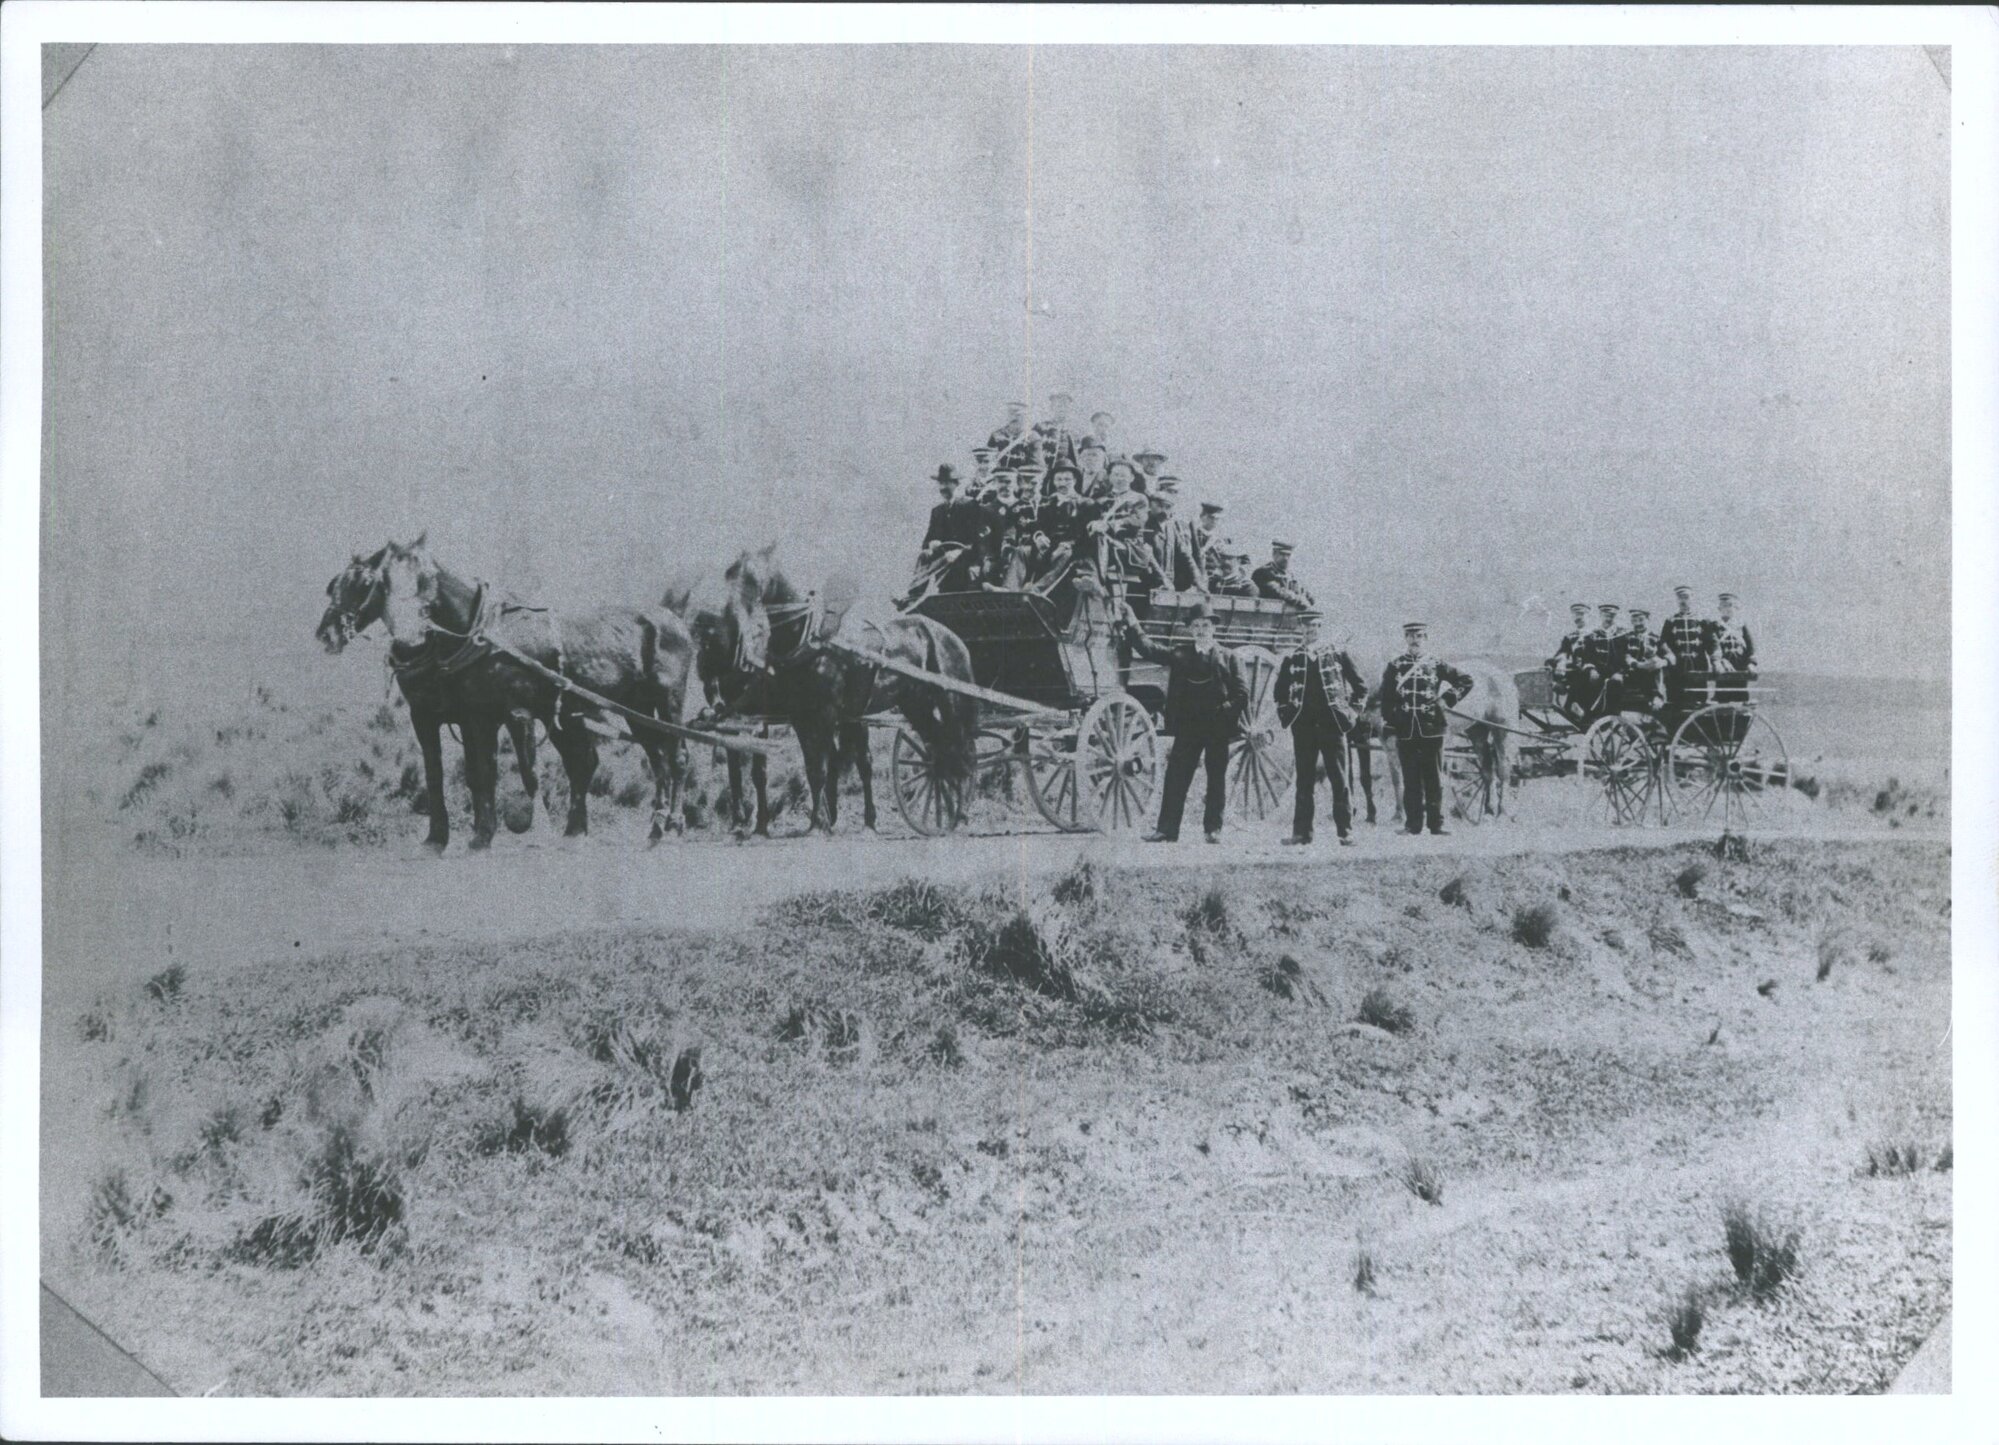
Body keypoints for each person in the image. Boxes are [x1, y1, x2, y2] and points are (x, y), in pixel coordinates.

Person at [1118, 598, 1249, 844]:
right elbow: (1149, 649)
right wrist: (1132, 622)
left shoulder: (1230, 657)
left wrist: (1224, 711)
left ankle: (1213, 829)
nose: (1201, 630)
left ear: (1214, 628)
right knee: (1176, 776)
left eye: (1205, 626)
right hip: (1189, 727)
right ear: (1190, 629)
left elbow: (1242, 694)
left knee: (1216, 778)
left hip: (1217, 727)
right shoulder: (1181, 654)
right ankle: (1167, 830)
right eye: (1196, 626)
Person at [1275, 611, 1371, 846]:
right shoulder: (1293, 658)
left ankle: (1345, 832)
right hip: (1304, 727)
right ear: (1301, 629)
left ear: (1321, 628)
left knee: (1339, 779)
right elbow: (1279, 693)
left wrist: (1351, 714)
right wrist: (1288, 715)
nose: (1310, 631)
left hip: (1333, 725)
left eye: (1315, 627)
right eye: (1306, 628)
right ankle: (1301, 834)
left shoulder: (1338, 655)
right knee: (1304, 780)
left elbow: (1361, 688)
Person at [1379, 622, 1473, 837]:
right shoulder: (1395, 665)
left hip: (1432, 728)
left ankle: (1436, 825)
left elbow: (1466, 680)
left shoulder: (1436, 663)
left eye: (1419, 635)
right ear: (1405, 638)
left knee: (1434, 778)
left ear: (1426, 638)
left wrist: (1447, 699)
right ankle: (1412, 825)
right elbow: (1387, 700)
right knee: (1410, 778)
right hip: (1406, 730)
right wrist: (1392, 726)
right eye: (1411, 635)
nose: (1415, 640)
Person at [902, 464, 981, 603]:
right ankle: (914, 595)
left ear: (956, 484)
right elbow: (927, 541)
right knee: (924, 555)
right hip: (943, 559)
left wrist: (958, 551)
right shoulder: (937, 511)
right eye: (941, 483)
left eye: (947, 483)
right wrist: (930, 545)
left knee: (948, 560)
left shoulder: (969, 506)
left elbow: (977, 541)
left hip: (965, 558)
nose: (943, 488)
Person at [1657, 585, 1715, 715]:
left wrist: (1716, 660)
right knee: (1676, 700)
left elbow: (1711, 642)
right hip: (1677, 667)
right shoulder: (1670, 620)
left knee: (1699, 699)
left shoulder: (1702, 620)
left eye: (1686, 597)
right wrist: (1669, 654)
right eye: (1680, 598)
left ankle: (1697, 730)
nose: (1683, 601)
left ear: (1692, 598)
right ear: (1676, 600)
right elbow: (1662, 642)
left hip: (1698, 665)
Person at [1146, 476, 1206, 592]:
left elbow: (1188, 553)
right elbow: (1147, 554)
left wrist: (1198, 579)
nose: (1172, 496)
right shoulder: (1145, 522)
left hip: (1176, 584)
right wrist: (1163, 580)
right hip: (1152, 583)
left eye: (1175, 493)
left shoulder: (1176, 523)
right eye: (1169, 492)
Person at [1572, 603, 1624, 721]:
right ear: (1601, 615)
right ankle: (1583, 710)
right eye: (1606, 615)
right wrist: (1591, 669)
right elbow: (1586, 655)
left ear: (1616, 617)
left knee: (1615, 682)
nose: (1609, 618)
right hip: (1598, 670)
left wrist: (1620, 671)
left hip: (1616, 671)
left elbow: (1626, 655)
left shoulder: (1622, 634)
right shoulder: (1592, 635)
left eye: (1612, 615)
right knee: (1584, 676)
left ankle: (1610, 714)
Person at [1614, 605, 1669, 713]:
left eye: (1641, 619)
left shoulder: (1656, 638)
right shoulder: (1625, 637)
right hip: (1632, 674)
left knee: (1657, 665)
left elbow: (1670, 655)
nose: (1638, 623)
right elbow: (1623, 655)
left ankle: (1658, 697)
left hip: (1650, 675)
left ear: (1647, 619)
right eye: (1634, 620)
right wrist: (1637, 664)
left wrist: (1663, 662)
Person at [1546, 601, 1593, 724]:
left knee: (1581, 676)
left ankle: (1581, 712)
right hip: (1575, 669)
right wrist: (1561, 661)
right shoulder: (1570, 636)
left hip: (1591, 670)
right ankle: (1556, 694)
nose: (1578, 618)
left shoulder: (1596, 634)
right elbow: (1563, 651)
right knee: (1548, 666)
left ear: (1589, 615)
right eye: (1576, 615)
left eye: (1582, 614)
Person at [1713, 591, 1756, 704]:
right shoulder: (1715, 626)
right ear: (1719, 608)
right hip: (1724, 667)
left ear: (1736, 608)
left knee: (1741, 694)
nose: (1727, 609)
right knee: (1723, 697)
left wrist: (1751, 663)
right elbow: (1714, 646)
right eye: (1724, 606)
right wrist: (1720, 661)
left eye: (1730, 605)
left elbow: (1751, 646)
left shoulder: (1741, 626)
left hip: (1740, 665)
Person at [1251, 541, 1316, 609]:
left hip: (1291, 616)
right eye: (1282, 554)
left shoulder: (1291, 576)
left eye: (1288, 555)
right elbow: (1278, 592)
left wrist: (1308, 598)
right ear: (1274, 554)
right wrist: (1300, 601)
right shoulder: (1262, 572)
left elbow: (1309, 597)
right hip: (1270, 615)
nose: (1286, 558)